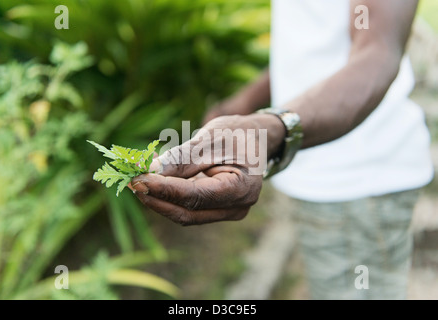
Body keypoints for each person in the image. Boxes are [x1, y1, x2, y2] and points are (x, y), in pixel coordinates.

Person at [129, 0, 434, 299]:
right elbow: (313, 45)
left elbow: (378, 55)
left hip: (357, 178)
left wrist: (269, 129)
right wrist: (243, 104)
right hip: (327, 174)